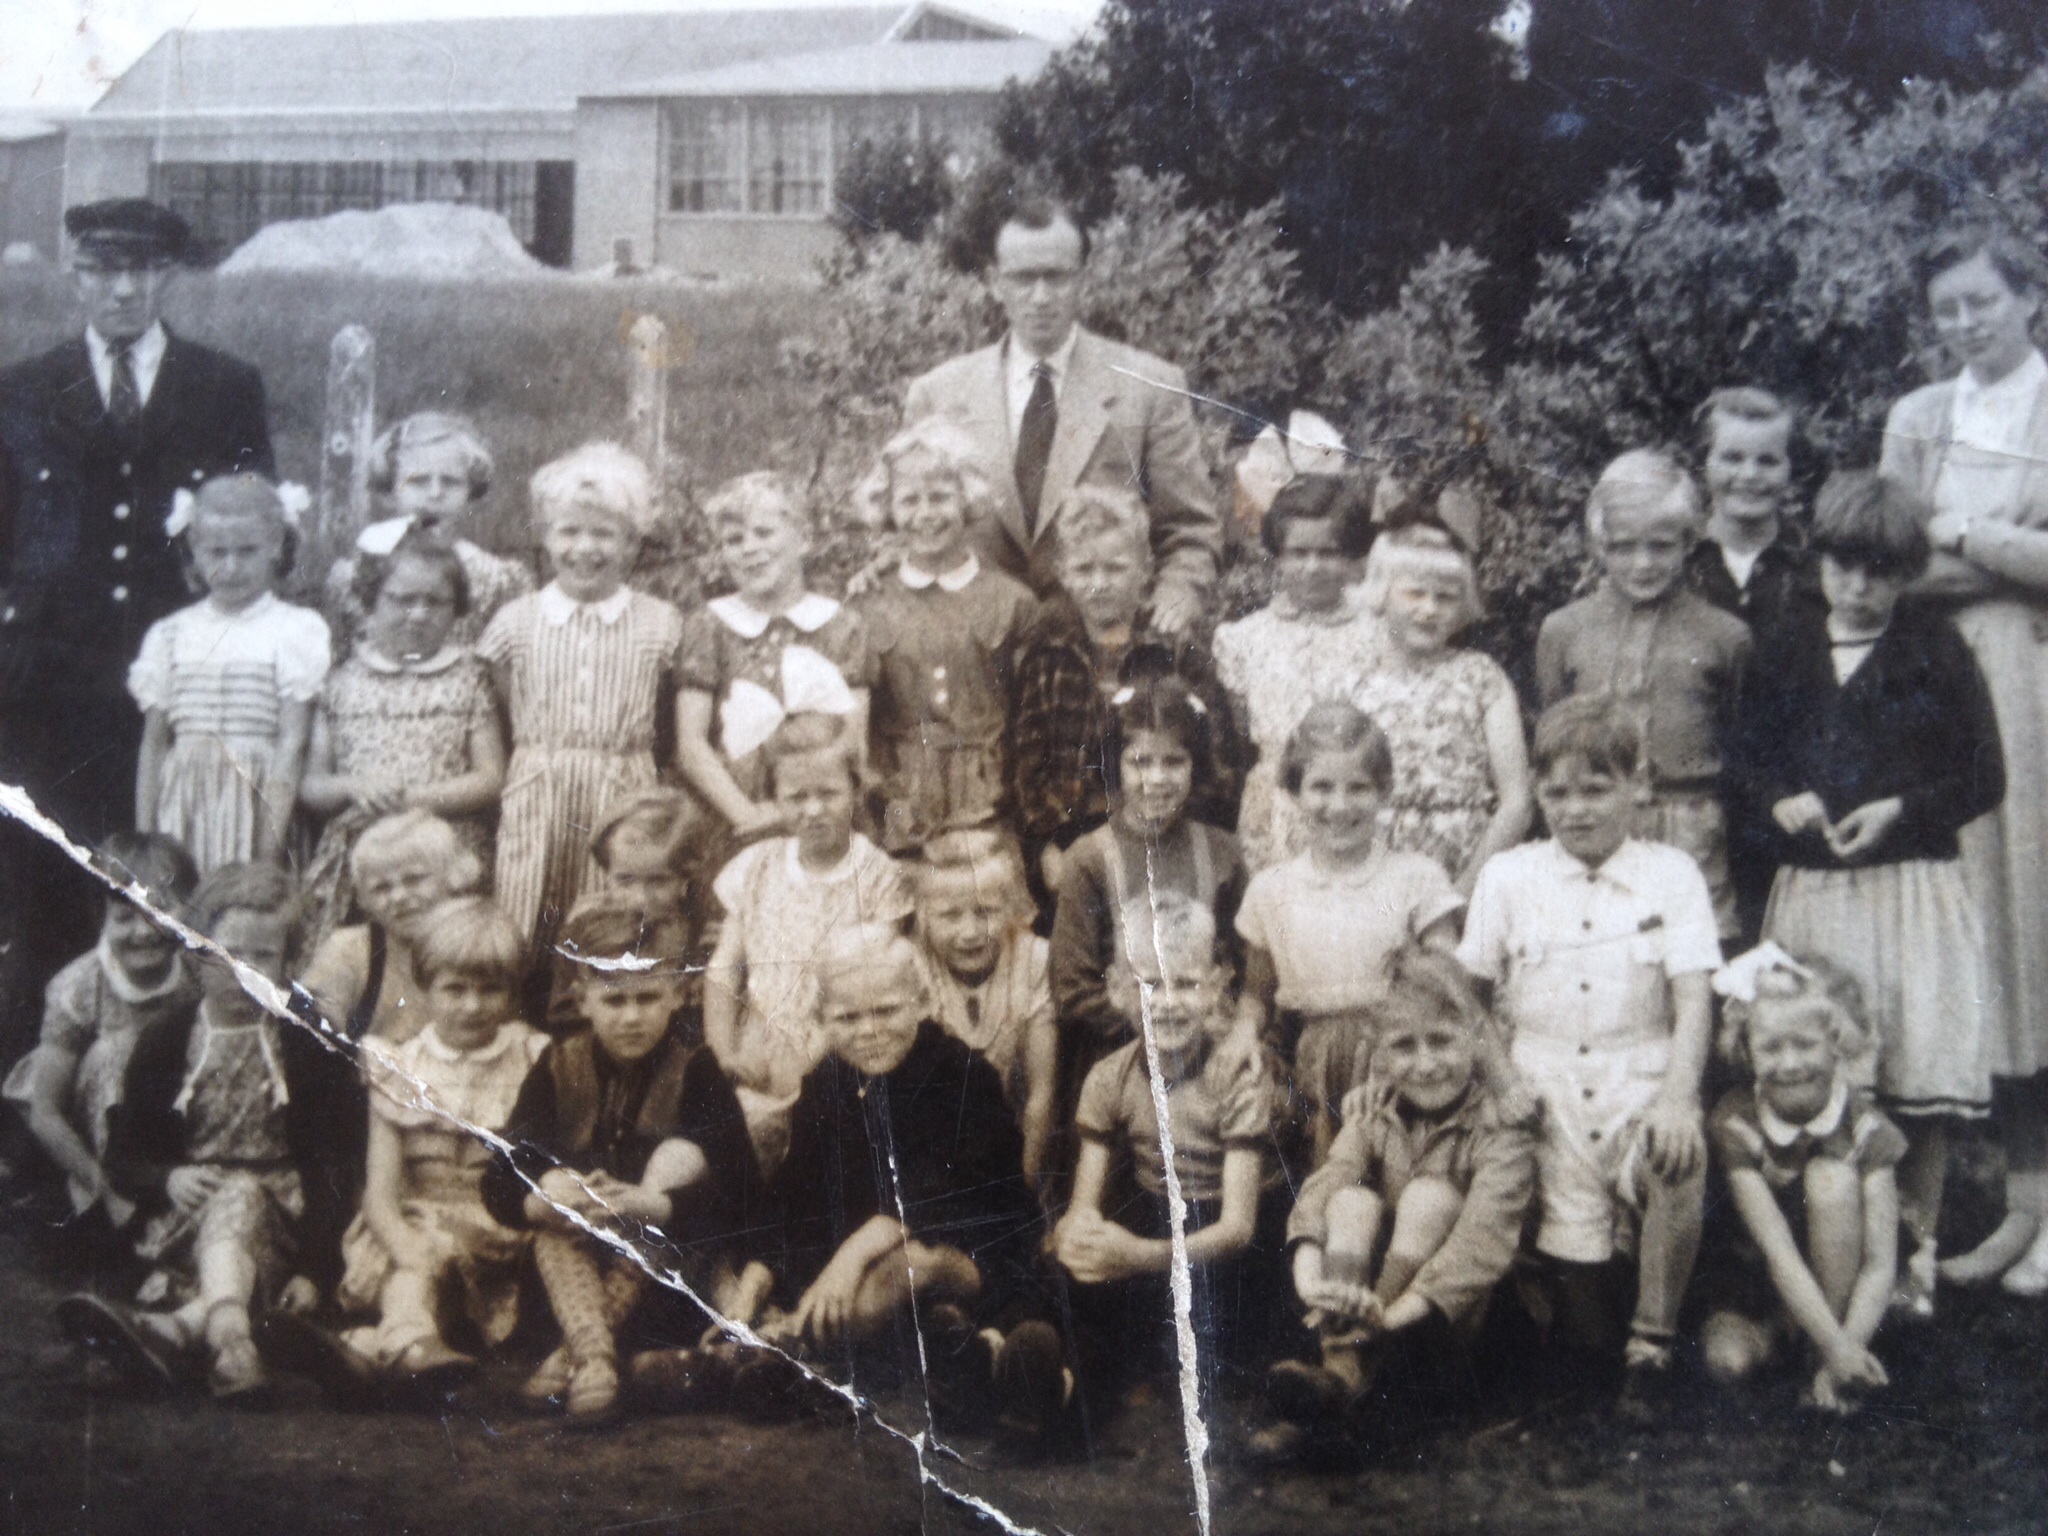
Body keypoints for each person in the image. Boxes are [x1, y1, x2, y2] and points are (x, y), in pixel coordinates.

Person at [0, 199, 271, 1063]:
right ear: (74, 274)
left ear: (168, 275)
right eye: (102, 270)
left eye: (142, 270)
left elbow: (256, 532)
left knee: (176, 881)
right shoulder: (24, 387)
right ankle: (39, 1102)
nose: (123, 289)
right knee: (47, 885)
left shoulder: (225, 386)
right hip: (52, 690)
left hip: (182, 685)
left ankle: (168, 1086)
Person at [1731, 470, 2002, 1313]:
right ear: (1821, 563)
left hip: (1914, 890)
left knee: (1918, 1076)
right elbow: (1743, 763)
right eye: (1846, 567)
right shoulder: (1781, 646)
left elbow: (1981, 774)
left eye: (1881, 572)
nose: (1859, 587)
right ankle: (1824, 1258)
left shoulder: (1936, 649)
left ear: (1907, 574)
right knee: (1828, 1070)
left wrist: (1901, 809)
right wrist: (1783, 798)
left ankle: (1910, 1261)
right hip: (1817, 893)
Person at [1458, 696, 1721, 1420]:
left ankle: (1654, 1342)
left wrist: (1678, 1098)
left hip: (1640, 1078)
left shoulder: (1673, 875)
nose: (1574, 810)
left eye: (1596, 789)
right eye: (1556, 792)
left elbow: (1695, 999)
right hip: (1545, 1092)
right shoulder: (1509, 877)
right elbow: (1468, 1000)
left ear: (1639, 783)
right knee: (1581, 1345)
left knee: (1679, 1158)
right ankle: (1581, 1325)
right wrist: (1504, 1081)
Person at [1880, 227, 2048, 1294]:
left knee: (2033, 920)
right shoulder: (1916, 417)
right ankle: (1980, 1208)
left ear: (2025, 296)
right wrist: (2008, 548)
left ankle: (2042, 1206)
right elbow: (1886, 557)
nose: (1963, 323)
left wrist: (1965, 536)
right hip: (1938, 688)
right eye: (1944, 309)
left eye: (1980, 300)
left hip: (2034, 691)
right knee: (1965, 926)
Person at [752, 925, 1059, 1436]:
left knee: (907, 1267)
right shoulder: (828, 1081)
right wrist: (752, 1289)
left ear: (921, 1001)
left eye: (885, 1011)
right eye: (847, 1017)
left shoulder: (960, 1073)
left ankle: (794, 1348)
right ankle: (936, 1344)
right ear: (821, 1017)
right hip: (864, 1255)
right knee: (797, 1276)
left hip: (970, 1249)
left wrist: (851, 1256)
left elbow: (939, 1195)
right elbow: (792, 1195)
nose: (868, 1030)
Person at [482, 898, 760, 1425]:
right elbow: (500, 1174)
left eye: (647, 997)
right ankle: (594, 1358)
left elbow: (743, 1193)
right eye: (614, 1000)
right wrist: (540, 1200)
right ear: (582, 998)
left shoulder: (697, 1070)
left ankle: (579, 1360)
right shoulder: (557, 1064)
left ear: (678, 994)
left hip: (663, 1277)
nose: (631, 1016)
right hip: (570, 1275)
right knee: (554, 1205)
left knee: (677, 1162)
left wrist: (657, 1204)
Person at [900, 191, 1221, 636]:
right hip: (971, 643)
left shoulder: (1148, 388)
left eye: (1057, 277)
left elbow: (1189, 529)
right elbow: (901, 527)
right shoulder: (937, 396)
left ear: (1083, 280)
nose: (1041, 296)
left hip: (1100, 641)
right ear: (995, 282)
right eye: (1022, 278)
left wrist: (1178, 591)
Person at [267, 897, 547, 1399]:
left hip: (497, 1230)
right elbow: (380, 1195)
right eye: (454, 988)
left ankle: (372, 1348)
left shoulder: (531, 1056)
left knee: (437, 1259)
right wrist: (408, 1247)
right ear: (425, 985)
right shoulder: (399, 1064)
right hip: (409, 1224)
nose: (471, 1004)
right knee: (419, 1257)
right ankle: (410, 1345)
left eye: (490, 989)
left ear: (512, 991)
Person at [1257, 949, 1535, 1456]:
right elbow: (1325, 1184)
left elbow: (1480, 1246)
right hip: (1373, 1306)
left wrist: (1385, 1314)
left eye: (1442, 1041)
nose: (1426, 1064)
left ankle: (1344, 1372)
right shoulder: (1375, 1112)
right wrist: (1310, 1277)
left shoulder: (1499, 1130)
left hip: (1446, 1320)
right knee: (1350, 1201)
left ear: (1474, 1038)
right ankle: (1341, 1388)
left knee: (1429, 1198)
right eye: (1405, 1046)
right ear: (1381, 1052)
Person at [64, 864, 314, 1400]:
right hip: (185, 1217)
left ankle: (184, 1332)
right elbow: (123, 1157)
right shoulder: (167, 1038)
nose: (242, 972)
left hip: (280, 1218)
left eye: (263, 957)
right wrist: (169, 1177)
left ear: (289, 961)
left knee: (243, 1195)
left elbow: (337, 1162)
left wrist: (318, 1268)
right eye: (224, 954)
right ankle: (226, 1342)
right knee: (228, 1209)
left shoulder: (306, 1042)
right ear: (196, 951)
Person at [1053, 897, 1280, 1410]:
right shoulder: (1109, 1076)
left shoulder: (1236, 1078)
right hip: (1157, 1214)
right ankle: (1048, 1375)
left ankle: (1106, 1374)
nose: (1167, 1002)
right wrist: (1082, 1238)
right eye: (1149, 984)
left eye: (1187, 983)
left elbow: (1238, 1227)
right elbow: (1084, 1202)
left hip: (1225, 1236)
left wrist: (1138, 1257)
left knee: (1197, 1317)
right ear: (1116, 989)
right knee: (1070, 1274)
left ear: (1219, 984)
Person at [1234, 702, 1464, 1165]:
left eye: (1358, 788)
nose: (1339, 806)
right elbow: (1257, 996)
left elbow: (1450, 989)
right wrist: (1242, 1032)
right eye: (1321, 787)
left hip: (1401, 1059)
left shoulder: (1416, 878)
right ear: (1293, 792)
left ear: (1384, 792)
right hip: (1312, 1061)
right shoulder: (1271, 889)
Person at [1536, 447, 1752, 940]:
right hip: (1593, 822)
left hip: (1692, 829)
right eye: (1624, 547)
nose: (1643, 563)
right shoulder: (1563, 630)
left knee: (1693, 951)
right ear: (1599, 546)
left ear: (1688, 543)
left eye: (1661, 546)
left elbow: (1737, 739)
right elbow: (1551, 738)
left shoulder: (1724, 635)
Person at [477, 442, 685, 947]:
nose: (585, 548)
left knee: (611, 917)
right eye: (569, 532)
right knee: (526, 907)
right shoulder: (516, 622)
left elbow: (667, 718)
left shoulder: (660, 623)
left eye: (604, 534)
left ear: (632, 544)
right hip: (539, 785)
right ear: (547, 539)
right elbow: (506, 701)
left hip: (621, 786)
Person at [1048, 673, 1247, 1169]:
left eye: (1174, 761)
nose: (1157, 778)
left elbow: (1240, 966)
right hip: (1122, 1060)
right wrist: (1160, 1026)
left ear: (1195, 766)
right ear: (1116, 767)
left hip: (1209, 1054)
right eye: (1141, 762)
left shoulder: (1222, 852)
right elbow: (1072, 988)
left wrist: (1206, 1034)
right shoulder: (1090, 859)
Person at [701, 714, 912, 1172]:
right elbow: (724, 969)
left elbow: (870, 986)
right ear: (775, 798)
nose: (813, 809)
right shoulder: (756, 866)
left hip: (836, 1052)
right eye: (797, 797)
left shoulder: (878, 877)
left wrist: (809, 1066)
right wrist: (725, 1057)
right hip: (754, 1046)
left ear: (855, 790)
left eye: (829, 793)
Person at [1700, 949, 1902, 1417]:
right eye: (1771, 1048)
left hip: (1845, 1280)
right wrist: (1843, 1352)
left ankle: (1821, 1362)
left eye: (1805, 1045)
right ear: (1747, 1051)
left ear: (1834, 1041)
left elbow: (1879, 1263)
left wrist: (1842, 1349)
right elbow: (1778, 1252)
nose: (1790, 1064)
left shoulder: (1867, 1127)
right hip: (1758, 1277)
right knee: (1726, 1363)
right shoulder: (1737, 1121)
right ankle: (1784, 1334)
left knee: (1830, 1176)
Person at [1009, 486, 1236, 897]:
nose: (1099, 584)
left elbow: (1216, 761)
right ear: (1063, 572)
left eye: (1114, 568)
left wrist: (1183, 837)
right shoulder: (1048, 655)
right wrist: (1048, 845)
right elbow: (1028, 768)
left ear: (1145, 569)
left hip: (1165, 835)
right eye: (1084, 570)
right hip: (1074, 839)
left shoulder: (1177, 653)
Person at [298, 531, 504, 954]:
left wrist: (413, 800)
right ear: (371, 601)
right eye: (401, 600)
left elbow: (490, 776)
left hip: (446, 849)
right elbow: (313, 786)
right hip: (365, 852)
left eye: (435, 602)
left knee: (447, 954)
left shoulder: (468, 678)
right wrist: (354, 786)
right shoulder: (341, 681)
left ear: (457, 609)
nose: (418, 614)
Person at [127, 473, 330, 871]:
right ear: (195, 552)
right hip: (182, 804)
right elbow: (153, 745)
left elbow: (293, 744)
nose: (231, 566)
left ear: (275, 547)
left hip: (260, 799)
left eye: (248, 551)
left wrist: (268, 851)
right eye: (217, 553)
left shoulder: (296, 628)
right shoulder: (170, 633)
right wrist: (146, 841)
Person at [3, 834, 199, 1245]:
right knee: (119, 1051)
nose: (143, 932)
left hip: (162, 1125)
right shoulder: (80, 986)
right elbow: (46, 1114)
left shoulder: (197, 975)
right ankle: (119, 1212)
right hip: (91, 1134)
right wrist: (107, 1192)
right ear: (102, 917)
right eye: (124, 916)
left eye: (157, 911)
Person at [853, 418, 1037, 850]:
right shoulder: (867, 604)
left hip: (994, 801)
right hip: (898, 804)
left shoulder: (1012, 601)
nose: (925, 515)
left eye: (939, 498)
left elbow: (1032, 727)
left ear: (967, 500)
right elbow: (860, 731)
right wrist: (881, 797)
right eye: (909, 500)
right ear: (889, 510)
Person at [674, 471, 872, 840]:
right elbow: (691, 744)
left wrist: (802, 811)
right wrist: (747, 815)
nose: (749, 547)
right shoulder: (709, 626)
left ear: (803, 540)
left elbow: (853, 738)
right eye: (734, 540)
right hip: (735, 815)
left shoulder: (840, 624)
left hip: (823, 815)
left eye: (764, 533)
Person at [1213, 475, 1385, 871]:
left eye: (1328, 553)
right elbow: (1240, 735)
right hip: (1272, 808)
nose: (1312, 567)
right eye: (1298, 552)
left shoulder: (1376, 637)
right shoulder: (1244, 639)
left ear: (1351, 558)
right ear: (1277, 556)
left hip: (1351, 804)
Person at [1353, 523, 1533, 892]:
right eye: (1415, 593)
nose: (1430, 609)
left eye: (1446, 597)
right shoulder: (1352, 683)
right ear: (1382, 594)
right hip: (1372, 874)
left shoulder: (1482, 677)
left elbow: (1516, 802)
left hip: (1468, 869)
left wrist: (1465, 892)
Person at [911, 829, 1057, 1191]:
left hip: (1017, 1145)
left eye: (986, 912)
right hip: (932, 1154)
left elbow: (1041, 1096)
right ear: (923, 914)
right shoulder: (910, 968)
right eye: (950, 916)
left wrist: (1019, 1193)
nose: (969, 932)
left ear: (1010, 907)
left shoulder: (1035, 958)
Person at [323, 412, 533, 651]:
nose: (435, 493)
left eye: (450, 482)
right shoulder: (354, 573)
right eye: (418, 481)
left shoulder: (495, 577)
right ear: (391, 490)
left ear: (470, 492)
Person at [1684, 387, 1819, 644]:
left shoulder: (1815, 565)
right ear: (1704, 464)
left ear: (1790, 467)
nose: (1750, 475)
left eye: (1768, 461)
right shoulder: (1679, 559)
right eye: (1732, 458)